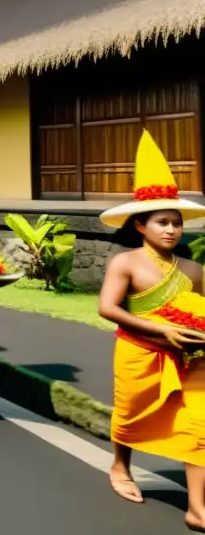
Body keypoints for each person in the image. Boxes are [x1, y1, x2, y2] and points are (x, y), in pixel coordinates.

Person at [97, 130, 205, 527]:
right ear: (140, 225)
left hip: (190, 356)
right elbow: (107, 308)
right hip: (138, 352)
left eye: (177, 223)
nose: (172, 230)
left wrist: (190, 337)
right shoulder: (125, 262)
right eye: (162, 222)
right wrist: (160, 332)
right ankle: (120, 466)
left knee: (200, 427)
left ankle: (197, 509)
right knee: (128, 414)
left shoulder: (194, 269)